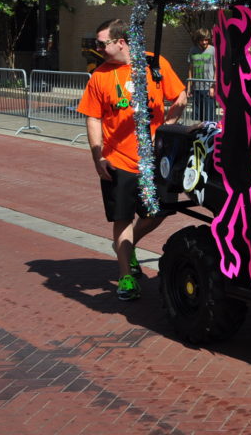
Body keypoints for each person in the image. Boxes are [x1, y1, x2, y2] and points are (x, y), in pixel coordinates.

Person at [77, 18, 187, 300]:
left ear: (121, 42)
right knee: (122, 218)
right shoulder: (100, 76)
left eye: (102, 44)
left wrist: (164, 130)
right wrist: (97, 155)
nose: (98, 48)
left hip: (154, 161)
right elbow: (93, 117)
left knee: (159, 212)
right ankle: (126, 276)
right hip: (117, 160)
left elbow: (180, 97)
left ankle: (127, 245)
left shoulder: (154, 63)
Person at [188, 28, 216, 122]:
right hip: (196, 88)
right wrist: (189, 88)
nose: (204, 42)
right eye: (202, 40)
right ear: (198, 40)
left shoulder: (213, 50)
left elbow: (216, 69)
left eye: (206, 40)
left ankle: (209, 136)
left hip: (208, 88)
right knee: (197, 118)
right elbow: (190, 69)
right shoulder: (193, 50)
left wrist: (213, 87)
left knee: (209, 118)